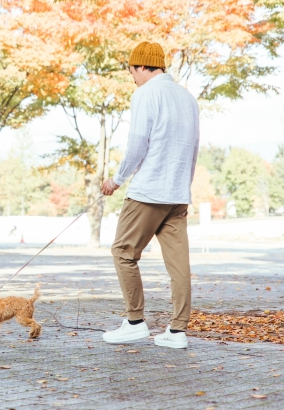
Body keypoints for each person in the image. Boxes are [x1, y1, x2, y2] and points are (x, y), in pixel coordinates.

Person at [101, 41, 199, 349]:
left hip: (148, 193)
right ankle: (177, 332)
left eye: (132, 70)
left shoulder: (145, 93)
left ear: (143, 67)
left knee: (123, 252)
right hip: (177, 194)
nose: (132, 76)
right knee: (179, 266)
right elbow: (192, 147)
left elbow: (137, 142)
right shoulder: (187, 98)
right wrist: (184, 185)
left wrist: (116, 180)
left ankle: (134, 323)